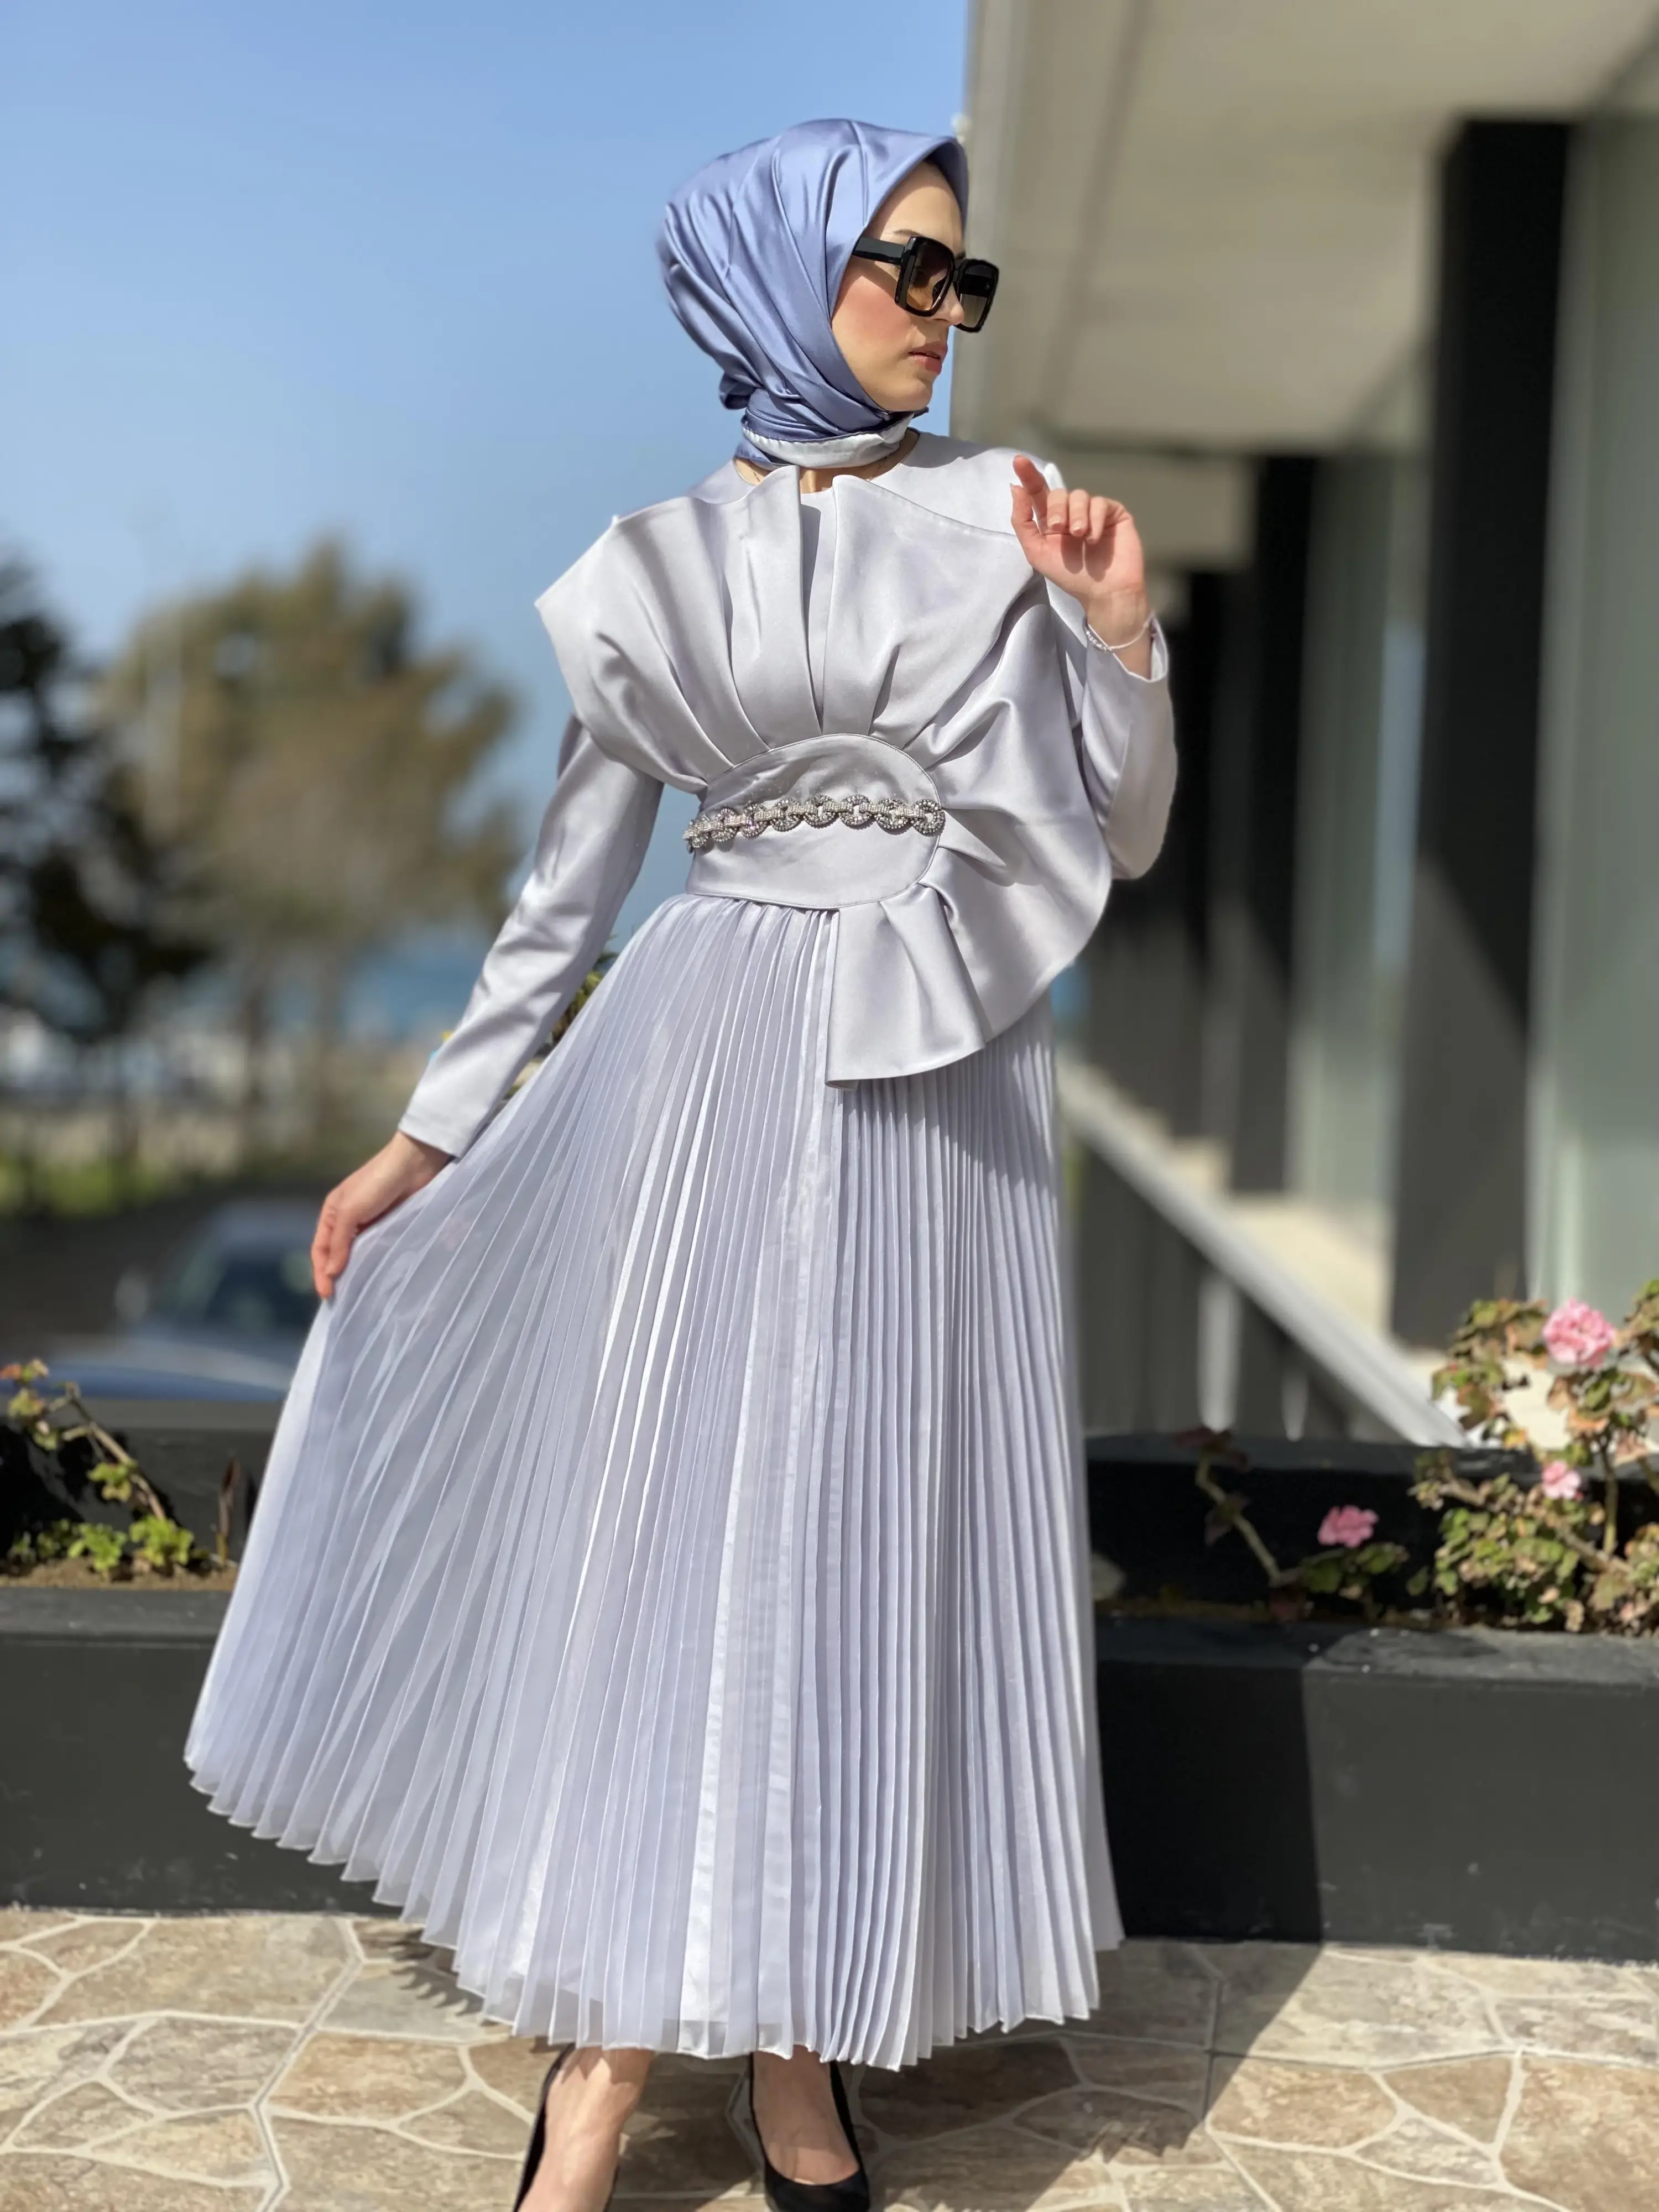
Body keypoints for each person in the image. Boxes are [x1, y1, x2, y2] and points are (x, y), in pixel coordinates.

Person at [185, 117, 1175, 2212]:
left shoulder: (1005, 515)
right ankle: (609, 2055)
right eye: (907, 269)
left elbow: (1129, 828)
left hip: (941, 1077)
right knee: (656, 1537)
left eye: (965, 280)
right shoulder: (648, 568)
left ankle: (800, 2049)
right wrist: (427, 1136)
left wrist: (1115, 638)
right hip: (705, 1061)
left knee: (857, 1542)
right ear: (777, 278)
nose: (943, 315)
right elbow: (561, 905)